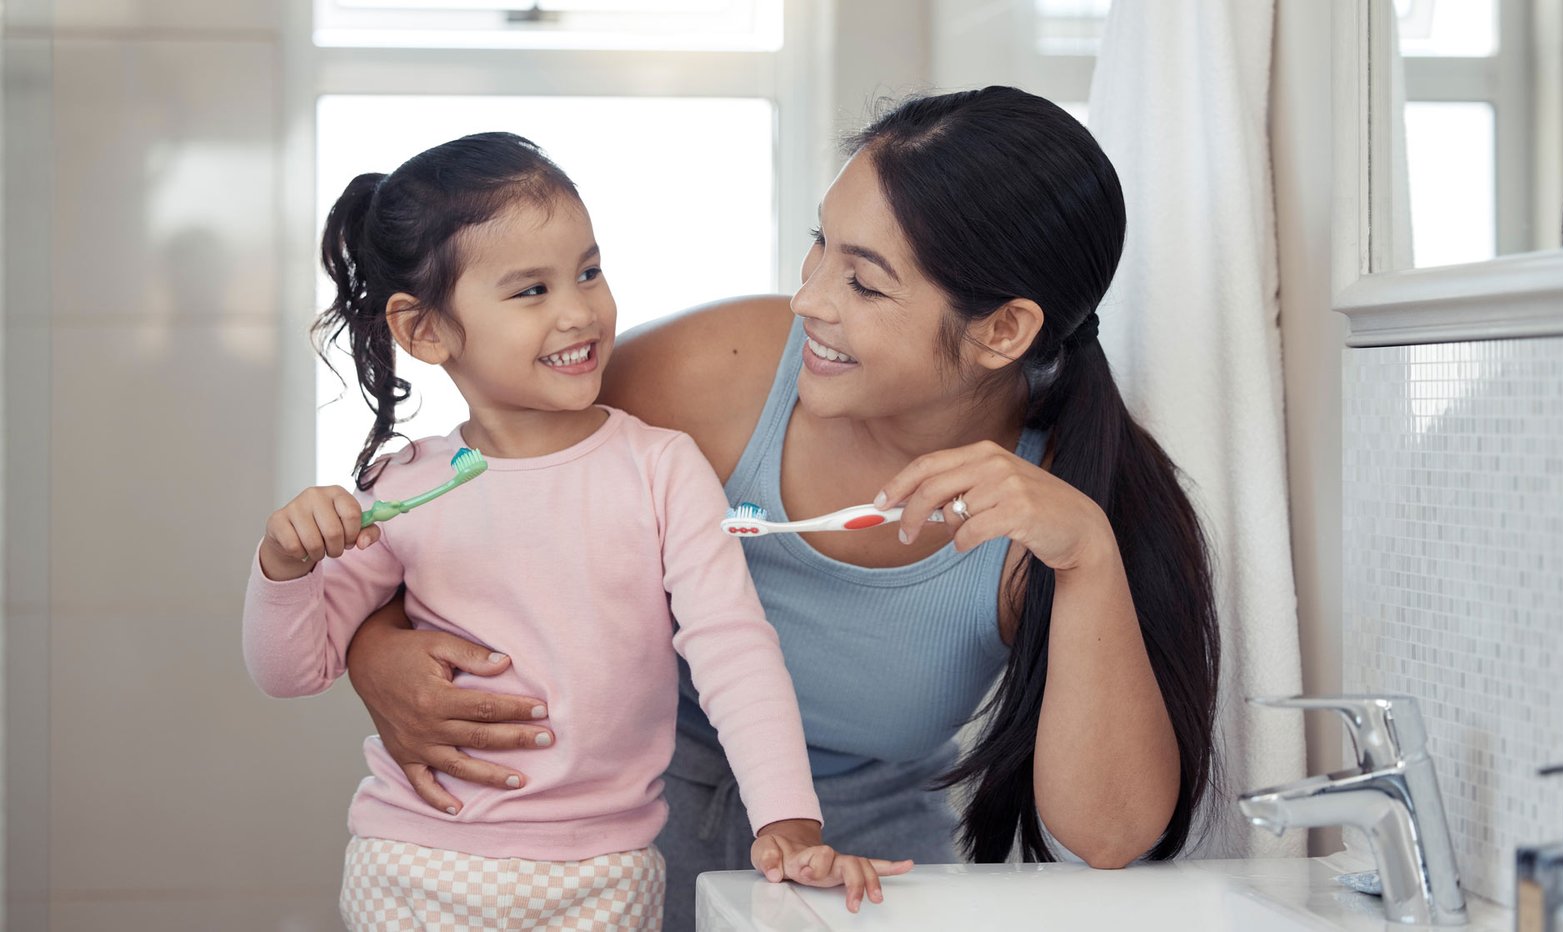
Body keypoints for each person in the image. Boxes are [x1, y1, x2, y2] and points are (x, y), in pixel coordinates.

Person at [343, 87, 1223, 930]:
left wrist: (1089, 559)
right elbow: (470, 485)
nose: (809, 300)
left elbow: (1107, 837)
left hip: (860, 860)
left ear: (1002, 331)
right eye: (820, 247)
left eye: (866, 284)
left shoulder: (1058, 511)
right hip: (614, 824)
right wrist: (373, 648)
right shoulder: (713, 372)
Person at [241, 132, 907, 930]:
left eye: (588, 271)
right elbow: (292, 670)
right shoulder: (404, 488)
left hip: (606, 878)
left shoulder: (662, 467)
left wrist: (787, 822)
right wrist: (282, 566)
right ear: (425, 332)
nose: (579, 310)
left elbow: (732, 645)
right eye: (531, 291)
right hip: (415, 866)